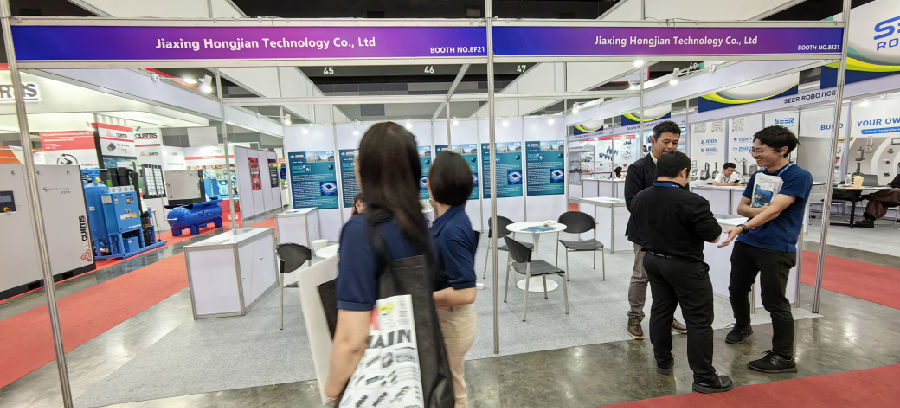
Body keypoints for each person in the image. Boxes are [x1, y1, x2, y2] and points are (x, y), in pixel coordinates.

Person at [325, 122, 434, 402]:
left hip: (380, 384)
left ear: (367, 171)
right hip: (421, 373)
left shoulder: (360, 232)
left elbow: (352, 339)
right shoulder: (418, 225)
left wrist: (332, 389)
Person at [630, 151, 733, 394]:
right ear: (684, 172)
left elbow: (637, 230)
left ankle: (663, 361)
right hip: (685, 266)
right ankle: (705, 378)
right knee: (698, 320)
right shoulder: (693, 201)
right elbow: (714, 235)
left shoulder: (641, 197)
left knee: (661, 311)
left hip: (653, 260)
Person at [719, 125, 813, 374]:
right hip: (748, 243)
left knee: (774, 301)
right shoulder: (758, 176)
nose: (755, 155)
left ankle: (783, 356)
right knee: (737, 289)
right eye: (753, 150)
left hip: (776, 247)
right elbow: (742, 207)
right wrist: (762, 212)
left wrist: (745, 225)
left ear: (783, 150)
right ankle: (742, 326)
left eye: (760, 150)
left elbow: (775, 210)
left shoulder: (798, 176)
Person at [624, 120, 688, 339]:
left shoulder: (680, 167)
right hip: (645, 234)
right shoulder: (638, 168)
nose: (670, 147)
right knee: (641, 276)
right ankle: (635, 316)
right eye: (666, 142)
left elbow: (684, 199)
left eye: (675, 143)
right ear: (653, 141)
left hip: (671, 235)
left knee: (669, 278)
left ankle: (667, 316)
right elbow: (632, 204)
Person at [428, 151, 478, 408]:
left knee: (453, 393)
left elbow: (467, 292)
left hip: (452, 321)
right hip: (449, 319)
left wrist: (422, 299)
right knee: (451, 386)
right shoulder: (452, 218)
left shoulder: (452, 230)